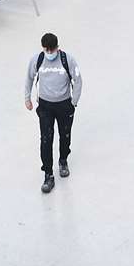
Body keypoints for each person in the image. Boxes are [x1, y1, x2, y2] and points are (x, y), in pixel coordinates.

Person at [24, 32, 83, 193]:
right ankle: (48, 174)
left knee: (65, 135)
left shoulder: (67, 60)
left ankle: (63, 160)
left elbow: (78, 80)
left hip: (64, 105)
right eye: (46, 50)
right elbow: (29, 78)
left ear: (57, 47)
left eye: (52, 50)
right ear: (43, 48)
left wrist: (73, 103)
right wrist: (27, 98)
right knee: (46, 139)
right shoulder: (37, 60)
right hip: (45, 107)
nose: (49, 53)